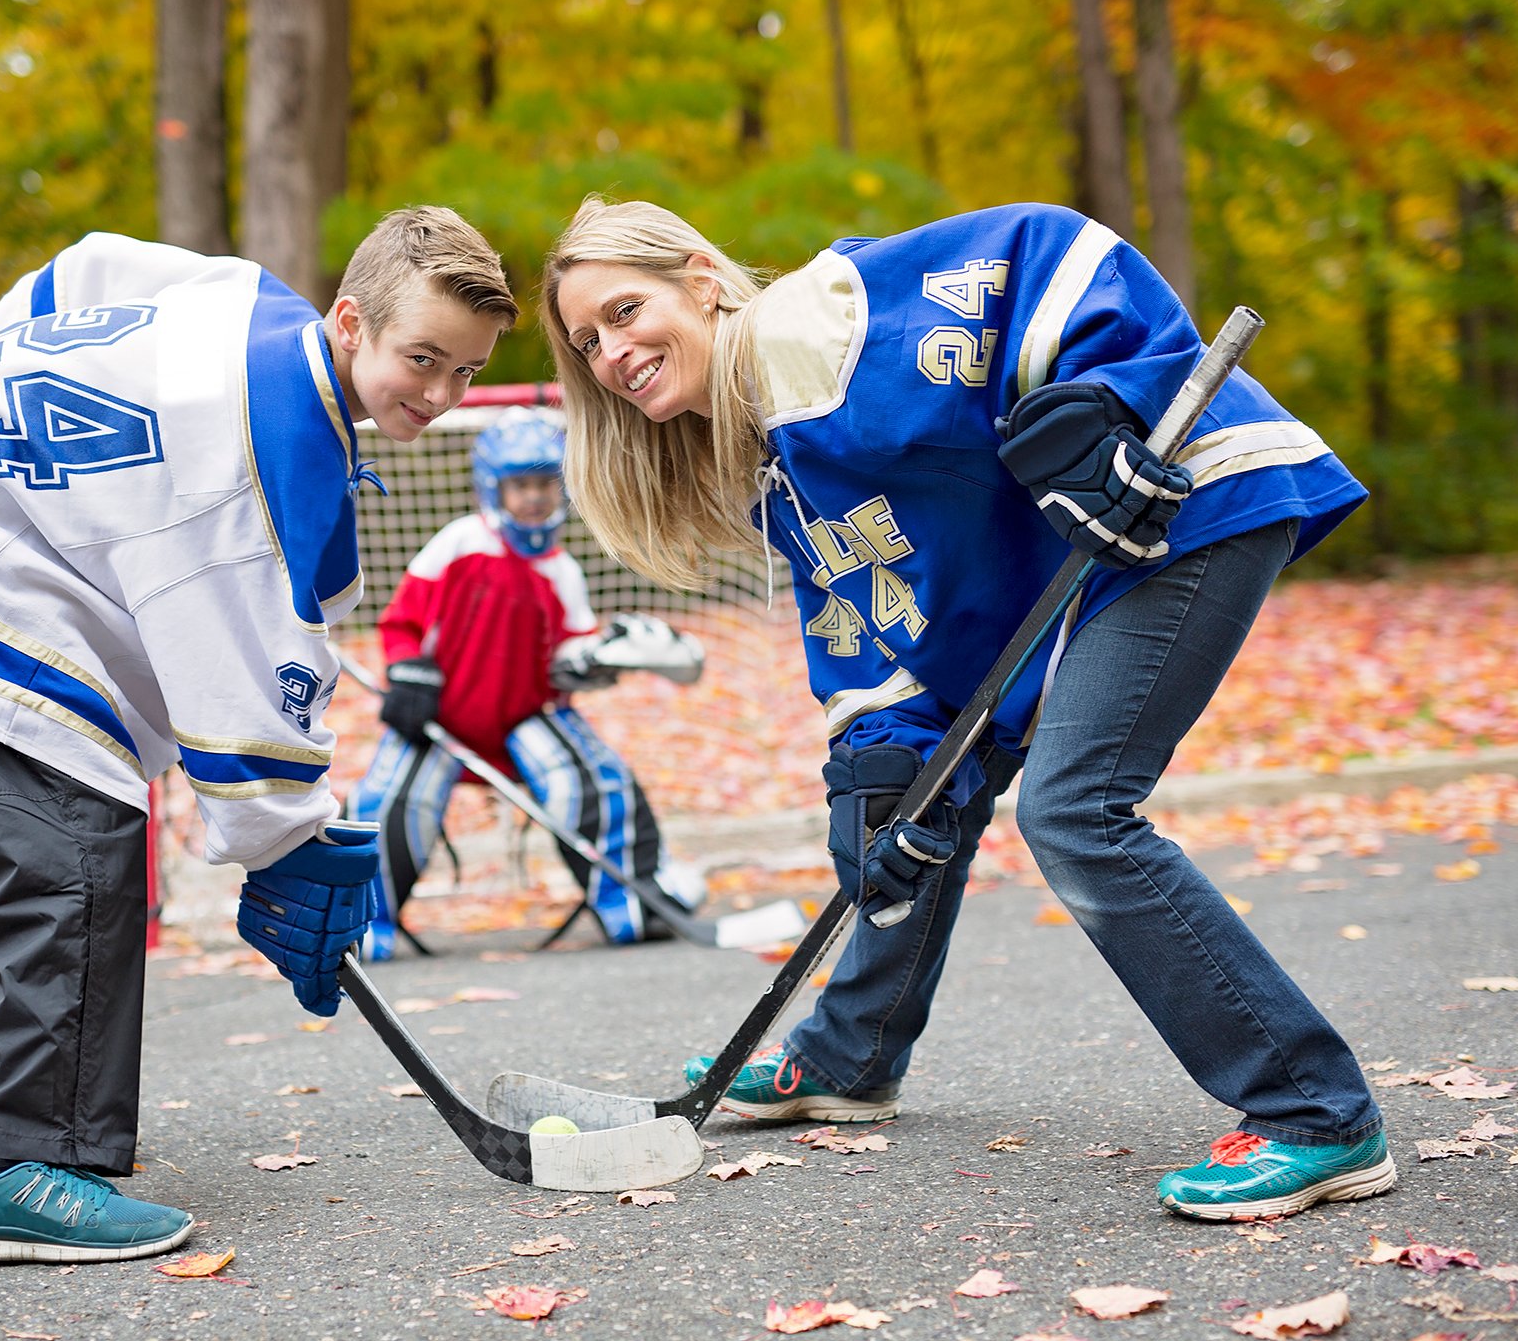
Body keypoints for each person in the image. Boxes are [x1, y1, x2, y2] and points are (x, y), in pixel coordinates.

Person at [540, 196, 1393, 1222]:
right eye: (589, 340)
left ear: (703, 281)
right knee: (915, 801)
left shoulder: (815, 328)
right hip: (1084, 573)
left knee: (1077, 811)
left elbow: (1048, 250)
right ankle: (850, 1058)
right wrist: (881, 763)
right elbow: (880, 628)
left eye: (627, 310)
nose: (612, 351)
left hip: (1181, 500)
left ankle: (1315, 1114)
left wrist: (1107, 405)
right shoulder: (782, 461)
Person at [0, 209, 517, 1262]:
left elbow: (87, 267)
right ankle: (17, 1163)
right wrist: (291, 846)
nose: (439, 396)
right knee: (74, 841)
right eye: (422, 359)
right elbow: (244, 689)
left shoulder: (250, 298)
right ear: (352, 322)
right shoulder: (263, 458)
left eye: (467, 373)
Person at [346, 408, 708, 952]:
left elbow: (565, 656)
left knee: (595, 782)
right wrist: (407, 672)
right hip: (441, 716)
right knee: (386, 802)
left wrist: (600, 658)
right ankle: (357, 927)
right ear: (492, 489)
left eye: (544, 483)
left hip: (526, 718)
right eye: (520, 485)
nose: (534, 496)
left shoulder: (562, 570)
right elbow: (402, 621)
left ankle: (635, 904)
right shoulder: (460, 542)